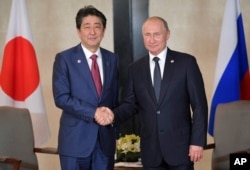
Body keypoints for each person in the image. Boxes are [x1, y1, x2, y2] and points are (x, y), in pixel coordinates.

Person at [110, 16, 208, 170]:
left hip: (180, 149)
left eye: (157, 34)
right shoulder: (135, 69)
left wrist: (197, 141)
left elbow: (199, 106)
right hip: (151, 151)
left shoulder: (186, 63)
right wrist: (111, 115)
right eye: (147, 35)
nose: (152, 40)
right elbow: (130, 104)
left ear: (167, 34)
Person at [52, 5, 118, 170]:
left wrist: (114, 127)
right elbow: (61, 97)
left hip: (105, 142)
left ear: (103, 31)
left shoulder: (113, 59)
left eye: (97, 27)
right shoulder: (64, 59)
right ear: (78, 31)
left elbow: (116, 97)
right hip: (75, 142)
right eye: (87, 27)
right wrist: (94, 112)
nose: (92, 32)